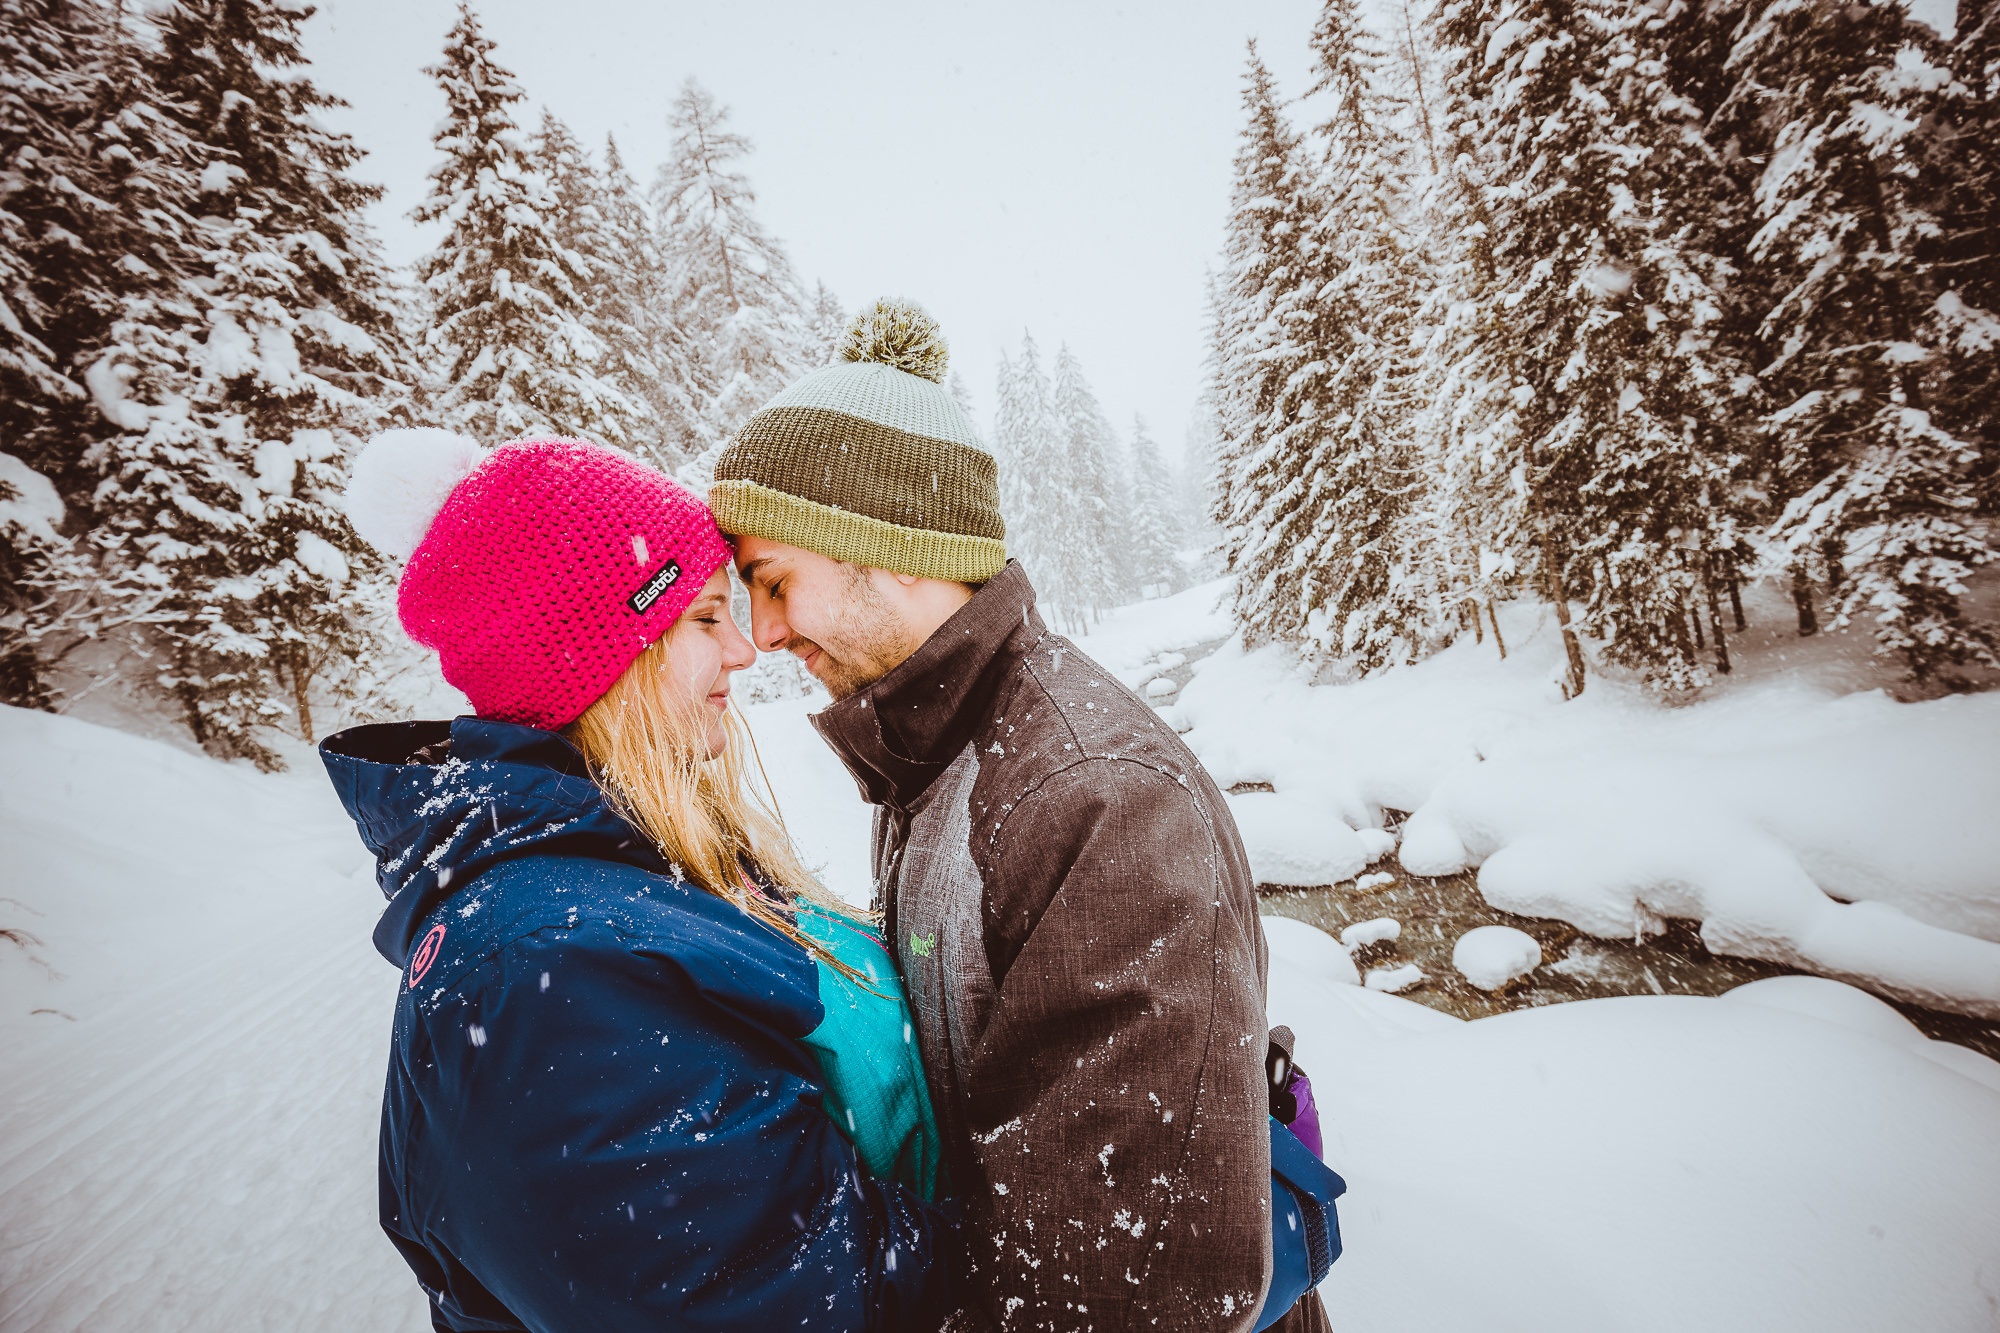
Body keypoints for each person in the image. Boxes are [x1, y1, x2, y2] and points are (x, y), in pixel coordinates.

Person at [711, 299, 1337, 1332]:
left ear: (895, 546)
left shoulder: (1096, 801)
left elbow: (1122, 1290)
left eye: (772, 582)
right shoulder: (937, 756)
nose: (763, 632)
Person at [320, 431, 955, 1332]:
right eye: (701, 616)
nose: (743, 648)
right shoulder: (539, 977)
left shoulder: (625, 874)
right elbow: (819, 1304)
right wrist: (1067, 1208)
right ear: (600, 661)